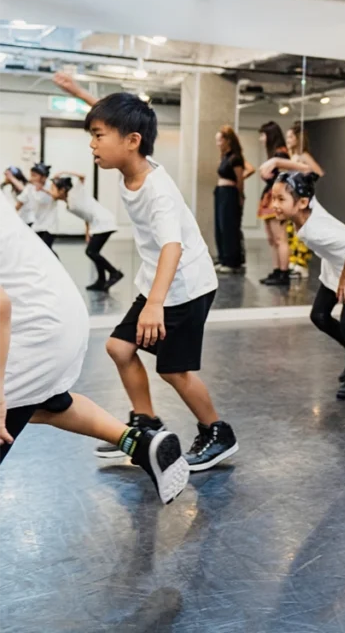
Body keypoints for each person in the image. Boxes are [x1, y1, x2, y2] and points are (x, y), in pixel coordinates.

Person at [0, 194, 189, 504]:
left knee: (14, 404)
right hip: (55, 311)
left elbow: (1, 305)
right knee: (45, 403)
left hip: (33, 327)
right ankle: (141, 445)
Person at [85, 93, 239, 471]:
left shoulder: (158, 191)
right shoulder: (134, 163)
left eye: (98, 135)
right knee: (120, 349)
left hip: (185, 285)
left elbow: (174, 246)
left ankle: (218, 433)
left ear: (131, 140)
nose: (92, 144)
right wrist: (80, 94)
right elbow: (125, 119)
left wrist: (154, 303)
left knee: (173, 370)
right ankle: (147, 424)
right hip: (158, 281)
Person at [271, 172, 345, 400]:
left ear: (301, 203)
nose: (275, 205)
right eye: (274, 198)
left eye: (281, 200)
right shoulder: (307, 204)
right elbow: (304, 172)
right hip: (336, 262)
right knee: (319, 315)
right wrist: (278, 164)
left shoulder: (316, 230)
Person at [261, 122, 324, 280]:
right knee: (290, 234)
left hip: (300, 199)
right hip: (292, 199)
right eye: (287, 136)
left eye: (291, 137)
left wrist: (303, 181)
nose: (288, 139)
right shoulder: (292, 155)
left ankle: (300, 266)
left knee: (299, 234)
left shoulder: (302, 156)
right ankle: (291, 265)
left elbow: (317, 172)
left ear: (298, 138)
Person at [51, 173, 124, 292]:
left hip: (104, 221)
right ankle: (101, 280)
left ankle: (114, 273)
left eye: (53, 188)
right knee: (94, 252)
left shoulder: (74, 193)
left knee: (91, 252)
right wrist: (87, 232)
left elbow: (82, 176)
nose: (51, 191)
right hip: (97, 223)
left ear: (63, 190)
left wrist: (63, 172)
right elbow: (86, 214)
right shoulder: (69, 203)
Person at [256, 122, 292, 287]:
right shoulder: (276, 155)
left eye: (263, 135)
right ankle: (277, 270)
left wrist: (267, 176)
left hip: (276, 197)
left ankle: (283, 272)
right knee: (273, 239)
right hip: (270, 196)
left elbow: (284, 177)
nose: (261, 139)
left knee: (279, 237)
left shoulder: (281, 155)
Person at [213, 126, 252, 274]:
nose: (217, 143)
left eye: (219, 140)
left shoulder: (236, 158)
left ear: (227, 140)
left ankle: (232, 261)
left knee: (229, 227)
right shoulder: (225, 157)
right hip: (221, 193)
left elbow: (239, 180)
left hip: (230, 193)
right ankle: (223, 258)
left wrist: (240, 195)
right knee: (220, 227)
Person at [10, 163, 59, 252]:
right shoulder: (29, 187)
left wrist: (43, 189)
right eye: (31, 175)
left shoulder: (51, 185)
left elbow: (56, 196)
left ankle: (57, 265)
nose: (32, 178)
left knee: (46, 250)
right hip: (37, 225)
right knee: (36, 250)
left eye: (35, 176)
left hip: (49, 226)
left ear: (43, 177)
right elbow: (19, 203)